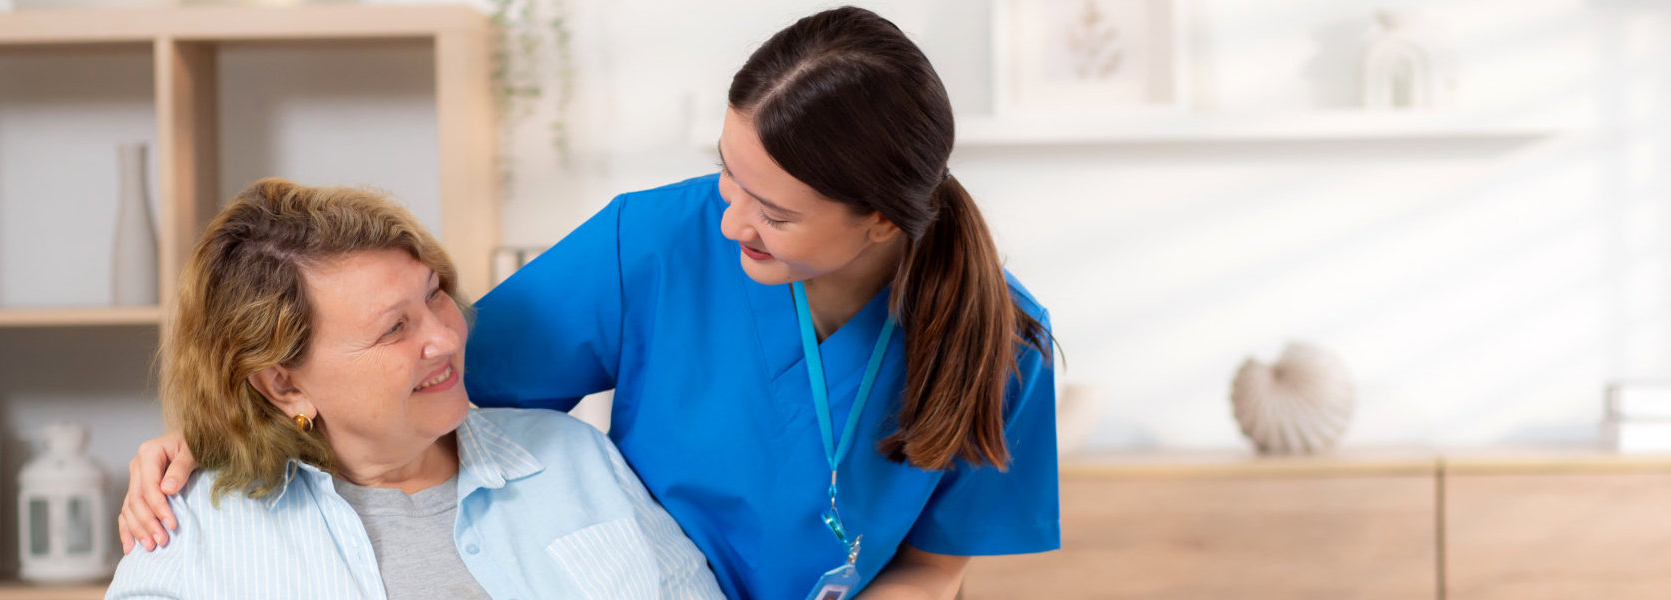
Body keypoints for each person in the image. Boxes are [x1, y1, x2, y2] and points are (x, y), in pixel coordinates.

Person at [121, 7, 1059, 599]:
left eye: (774, 212)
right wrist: (213, 434)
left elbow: (935, 565)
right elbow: (419, 378)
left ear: (882, 224)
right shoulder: (653, 245)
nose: (730, 220)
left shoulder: (999, 341)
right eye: (724, 173)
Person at [105, 178, 723, 599]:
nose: (446, 338)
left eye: (434, 295)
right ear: (283, 385)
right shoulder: (193, 527)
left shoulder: (574, 458)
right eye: (394, 329)